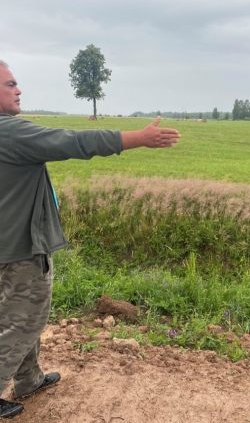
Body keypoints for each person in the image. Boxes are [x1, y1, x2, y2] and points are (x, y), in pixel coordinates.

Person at [0, 60, 180, 418]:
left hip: (6, 246)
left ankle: (28, 379)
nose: (19, 89)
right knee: (25, 320)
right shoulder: (11, 132)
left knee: (18, 314)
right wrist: (138, 139)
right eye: (10, 84)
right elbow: (73, 141)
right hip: (22, 249)